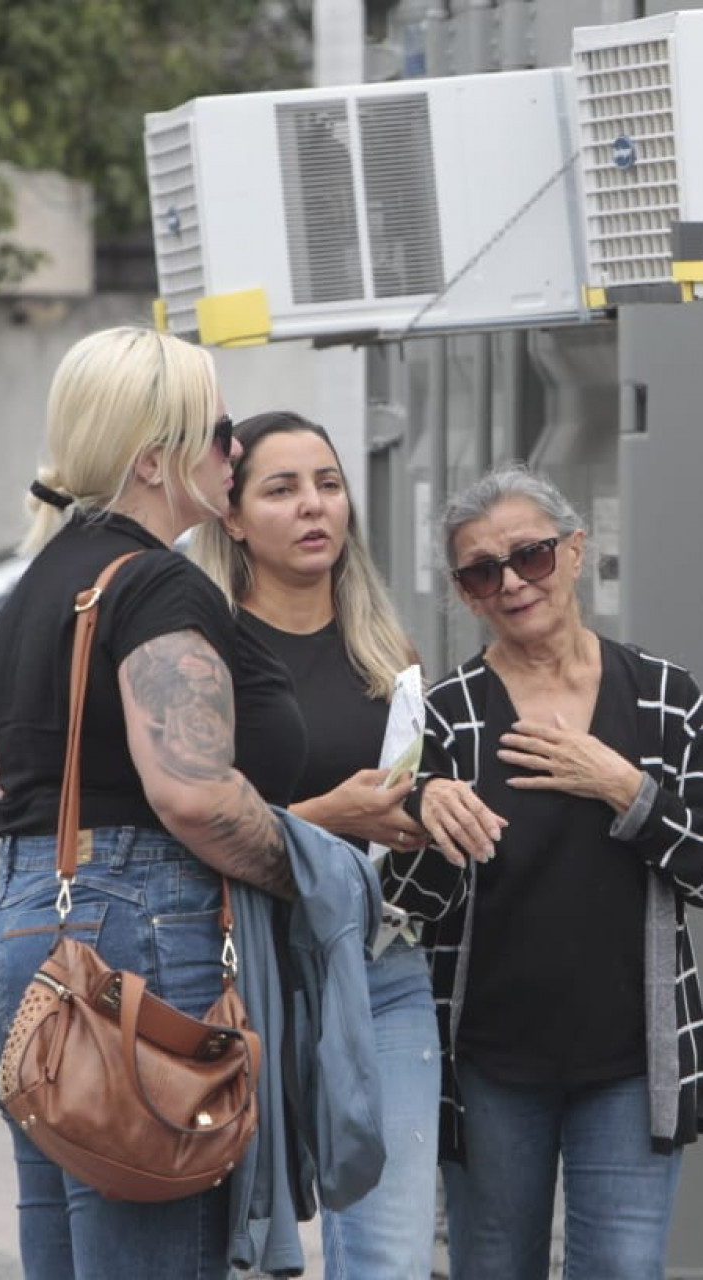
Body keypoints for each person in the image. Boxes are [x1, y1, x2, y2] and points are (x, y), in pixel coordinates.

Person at [0, 326, 304, 1280]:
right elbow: (189, 794)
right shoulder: (154, 584)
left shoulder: (36, 585)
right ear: (158, 458)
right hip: (131, 935)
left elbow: (11, 785)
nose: (236, 451)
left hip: (19, 935)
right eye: (221, 431)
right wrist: (310, 865)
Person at [391, 462, 703, 1280]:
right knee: (492, 1267)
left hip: (630, 1063)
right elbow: (405, 910)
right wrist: (423, 812)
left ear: (577, 550)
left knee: (624, 1269)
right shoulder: (446, 716)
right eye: (484, 571)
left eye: (533, 556)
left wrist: (624, 787)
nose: (514, 583)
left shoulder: (665, 698)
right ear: (465, 593)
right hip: (489, 1062)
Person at [188, 410, 440, 1278]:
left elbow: (401, 803)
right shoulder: (204, 647)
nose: (313, 507)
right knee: (240, 1246)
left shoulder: (387, 653)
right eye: (282, 488)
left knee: (391, 1255)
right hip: (244, 972)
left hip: (380, 970)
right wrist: (324, 819)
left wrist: (434, 811)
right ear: (232, 515)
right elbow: (188, 818)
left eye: (328, 485)